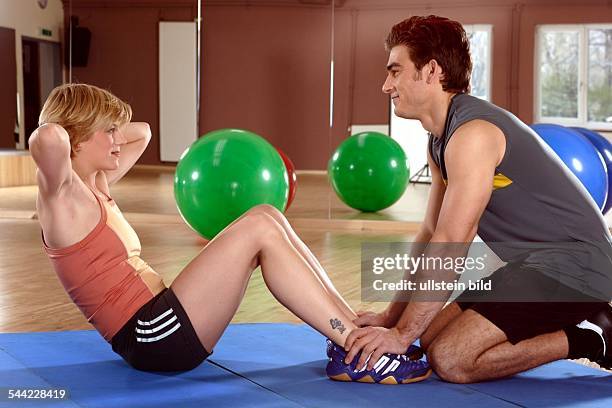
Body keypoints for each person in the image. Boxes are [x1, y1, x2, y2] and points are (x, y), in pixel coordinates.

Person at [29, 83, 431, 384]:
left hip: (161, 319)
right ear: (77, 136)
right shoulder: (62, 198)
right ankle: (358, 350)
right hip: (152, 337)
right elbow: (49, 137)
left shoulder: (96, 183)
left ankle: (357, 335)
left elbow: (144, 131)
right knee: (258, 226)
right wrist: (75, 116)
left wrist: (100, 123)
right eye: (108, 131)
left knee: (267, 214)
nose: (119, 138)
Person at [345, 15, 612, 383]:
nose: (385, 85)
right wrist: (393, 319)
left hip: (579, 268)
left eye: (395, 72)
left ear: (431, 71)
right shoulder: (440, 139)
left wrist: (400, 336)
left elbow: (454, 241)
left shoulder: (473, 134)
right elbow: (430, 232)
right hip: (531, 267)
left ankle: (594, 339)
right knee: (429, 335)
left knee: (452, 359)